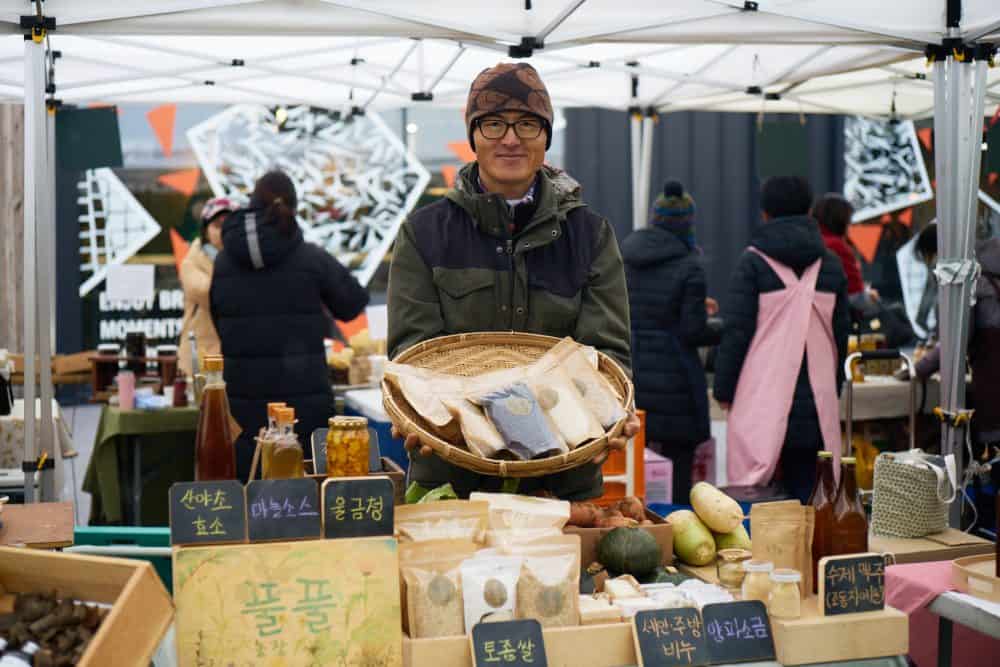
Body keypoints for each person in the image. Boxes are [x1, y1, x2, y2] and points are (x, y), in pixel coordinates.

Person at [388, 62, 639, 501]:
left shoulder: (589, 234)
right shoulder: (424, 233)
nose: (510, 138)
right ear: (473, 137)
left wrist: (613, 411)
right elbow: (413, 355)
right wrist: (418, 416)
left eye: (527, 124)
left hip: (563, 479)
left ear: (545, 137)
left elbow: (607, 353)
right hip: (452, 476)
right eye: (493, 124)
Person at [210, 170, 369, 481]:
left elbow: (220, 324)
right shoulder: (310, 258)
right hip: (304, 406)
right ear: (292, 209)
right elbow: (353, 303)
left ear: (251, 204)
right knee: (308, 501)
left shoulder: (222, 263)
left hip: (243, 405)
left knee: (251, 496)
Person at [713, 176, 850, 502]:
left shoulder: (753, 263)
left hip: (762, 402)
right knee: (812, 500)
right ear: (808, 211)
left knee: (762, 510)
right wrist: (835, 388)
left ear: (765, 213)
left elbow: (736, 333)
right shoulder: (830, 265)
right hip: (817, 408)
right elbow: (840, 336)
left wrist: (724, 388)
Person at [623, 180, 720, 502]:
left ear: (655, 218)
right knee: (679, 467)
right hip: (676, 379)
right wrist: (725, 327)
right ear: (687, 224)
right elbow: (693, 331)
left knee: (634, 460)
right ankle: (674, 529)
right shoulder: (689, 266)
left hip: (634, 371)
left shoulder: (627, 257)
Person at [915, 237, 1000, 452]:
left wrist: (920, 368)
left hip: (992, 387)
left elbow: (957, 340)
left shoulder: (979, 285)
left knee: (991, 455)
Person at [177, 197, 236, 378]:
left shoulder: (241, 260)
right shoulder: (192, 261)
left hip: (232, 358)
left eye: (229, 224)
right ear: (205, 230)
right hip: (199, 356)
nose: (223, 231)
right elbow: (210, 295)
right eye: (217, 225)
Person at [812, 193, 880, 315]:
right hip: (836, 319)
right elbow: (855, 297)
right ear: (841, 221)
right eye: (849, 221)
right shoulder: (838, 247)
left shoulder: (811, 240)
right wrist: (872, 298)